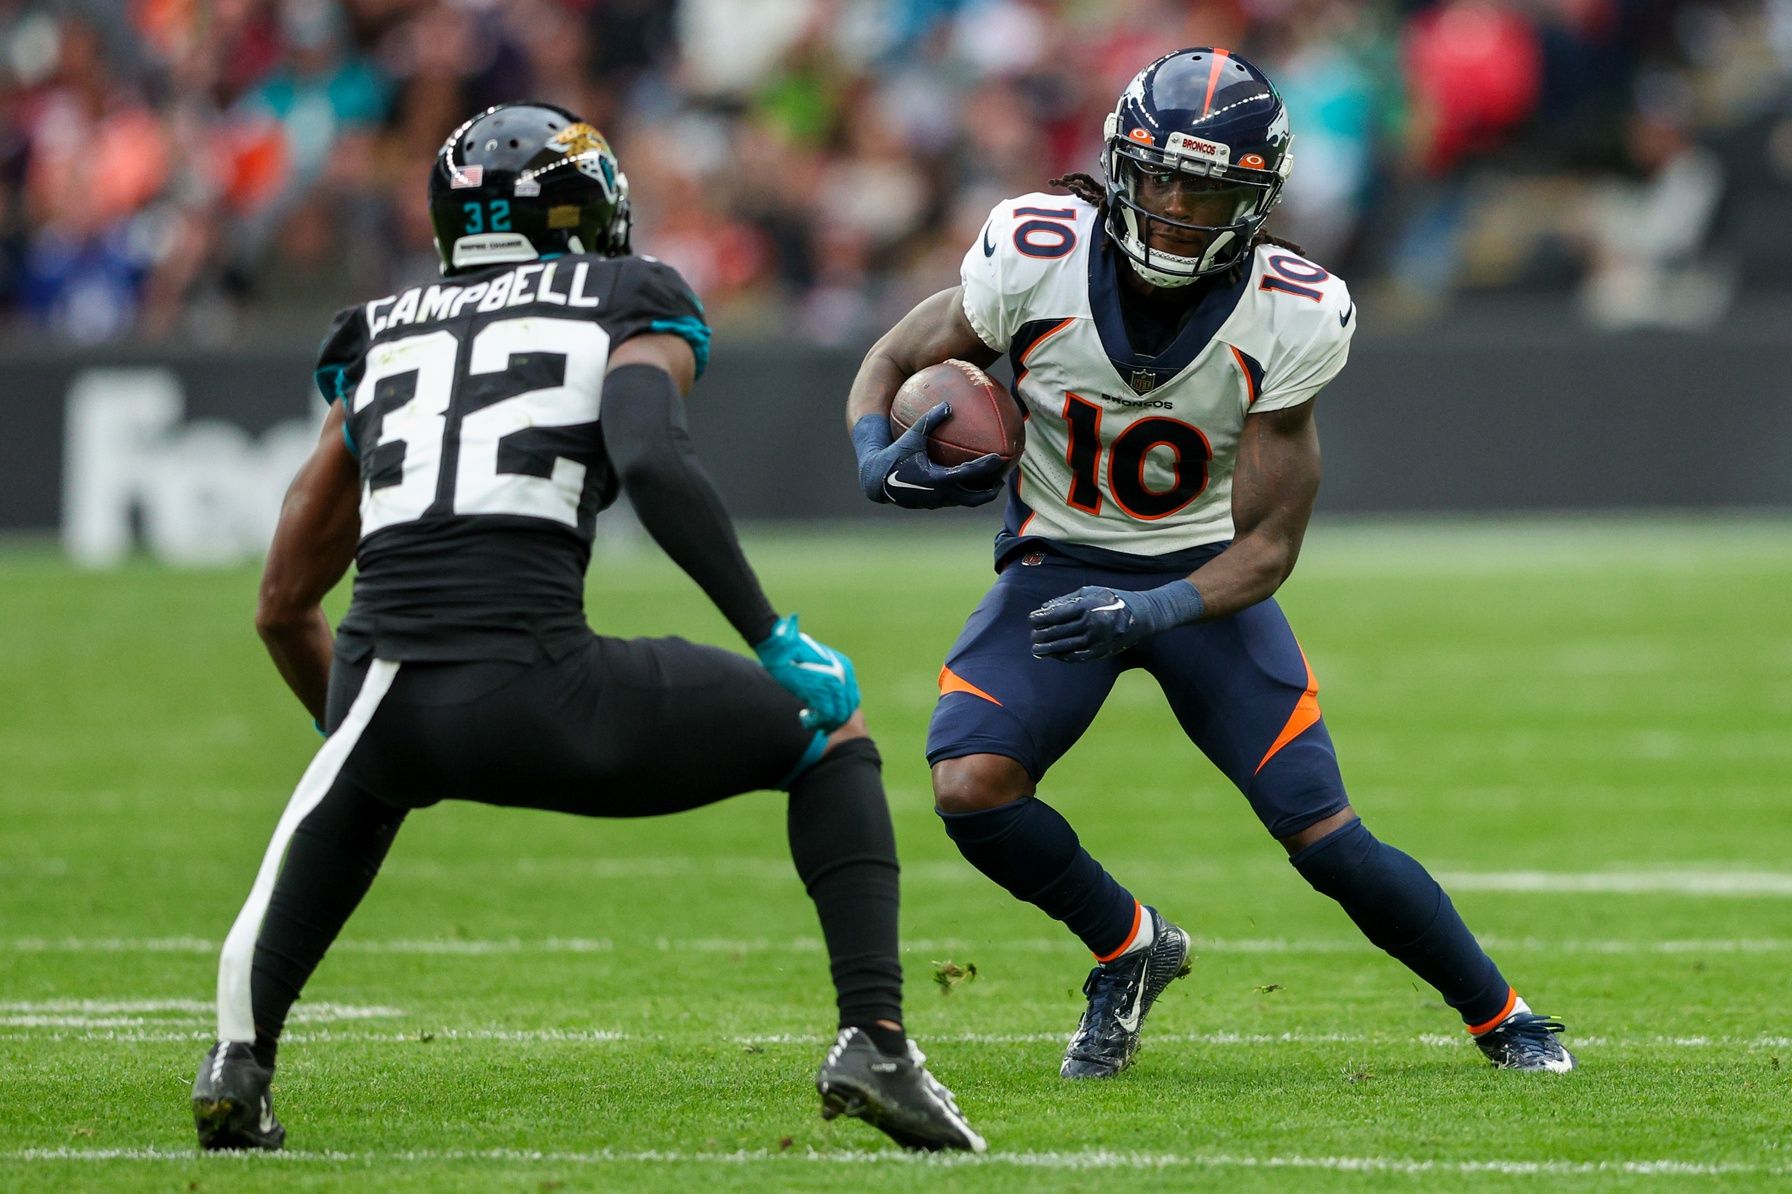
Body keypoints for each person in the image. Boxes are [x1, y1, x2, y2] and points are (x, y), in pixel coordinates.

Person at [191, 102, 984, 1154]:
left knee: (359, 778)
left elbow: (282, 602)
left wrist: (363, 737)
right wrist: (766, 632)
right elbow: (650, 458)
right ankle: (875, 1041)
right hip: (539, 681)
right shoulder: (626, 295)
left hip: (383, 683)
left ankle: (239, 1061)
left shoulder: (375, 328)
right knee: (827, 731)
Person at [844, 49, 1574, 1079]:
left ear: (1258, 199)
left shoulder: (1293, 308)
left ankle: (1505, 1016)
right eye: (1160, 177)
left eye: (1209, 187)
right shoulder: (1033, 250)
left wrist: (1150, 611)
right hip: (1055, 567)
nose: (1180, 206)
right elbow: (888, 361)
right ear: (1117, 167)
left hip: (1202, 584)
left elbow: (1270, 546)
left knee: (1325, 837)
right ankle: (1130, 947)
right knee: (970, 786)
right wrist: (873, 453)